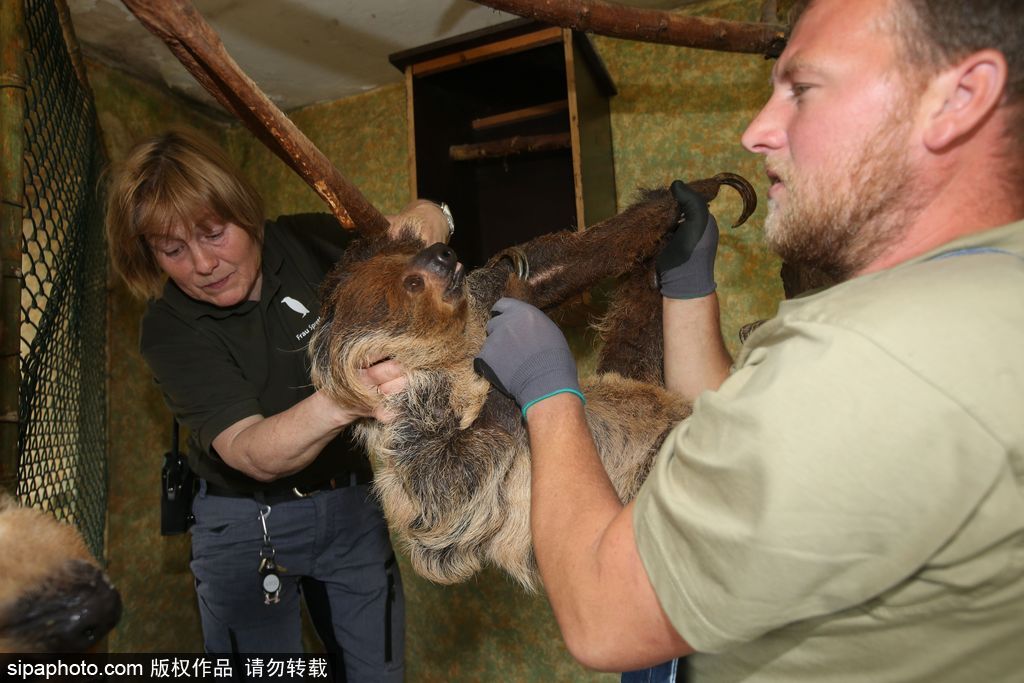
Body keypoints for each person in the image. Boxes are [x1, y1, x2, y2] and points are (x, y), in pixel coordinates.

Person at [473, 0, 1024, 680]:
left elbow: (603, 615)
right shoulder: (980, 292)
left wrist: (547, 391)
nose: (757, 130)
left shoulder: (876, 353)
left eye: (803, 88)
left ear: (959, 99)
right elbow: (751, 431)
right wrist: (688, 289)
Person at [105, 129, 452, 678]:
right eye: (173, 250)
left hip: (351, 506)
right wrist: (347, 393)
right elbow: (250, 450)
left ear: (244, 212)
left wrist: (432, 215)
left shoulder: (308, 240)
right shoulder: (168, 329)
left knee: (379, 671)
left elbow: (407, 231)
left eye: (214, 234)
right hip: (243, 523)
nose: (202, 263)